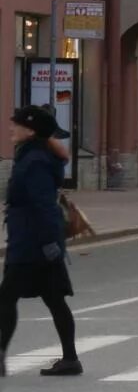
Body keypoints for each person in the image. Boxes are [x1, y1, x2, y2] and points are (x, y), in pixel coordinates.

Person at [0, 106, 81, 376]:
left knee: (6, 298)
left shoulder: (34, 160)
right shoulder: (34, 155)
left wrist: (49, 244)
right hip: (36, 241)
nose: (11, 128)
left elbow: (43, 205)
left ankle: (0, 355)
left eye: (16, 125)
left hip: (32, 244)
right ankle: (70, 358)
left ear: (30, 130)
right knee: (55, 299)